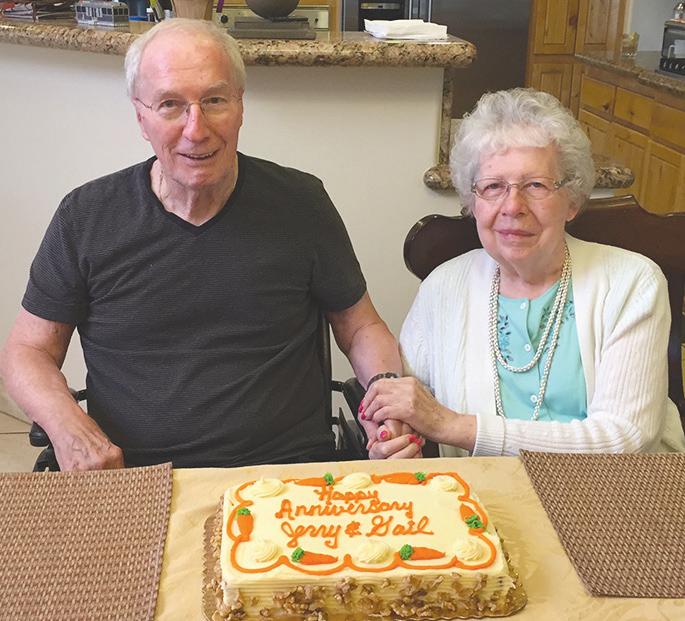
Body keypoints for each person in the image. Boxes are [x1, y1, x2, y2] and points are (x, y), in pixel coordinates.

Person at [0, 19, 410, 470]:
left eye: (214, 100)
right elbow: (27, 351)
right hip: (134, 475)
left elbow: (361, 327)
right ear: (141, 117)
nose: (196, 129)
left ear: (240, 105)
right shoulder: (85, 217)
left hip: (285, 473)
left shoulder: (302, 204)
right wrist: (68, 428)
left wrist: (385, 397)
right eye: (170, 105)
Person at [361, 88, 685, 459]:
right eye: (493, 187)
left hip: (617, 492)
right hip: (480, 493)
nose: (513, 206)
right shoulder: (443, 287)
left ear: (572, 200)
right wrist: (393, 439)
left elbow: (626, 439)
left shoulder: (632, 283)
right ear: (474, 202)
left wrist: (454, 426)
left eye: (536, 185)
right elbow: (408, 402)